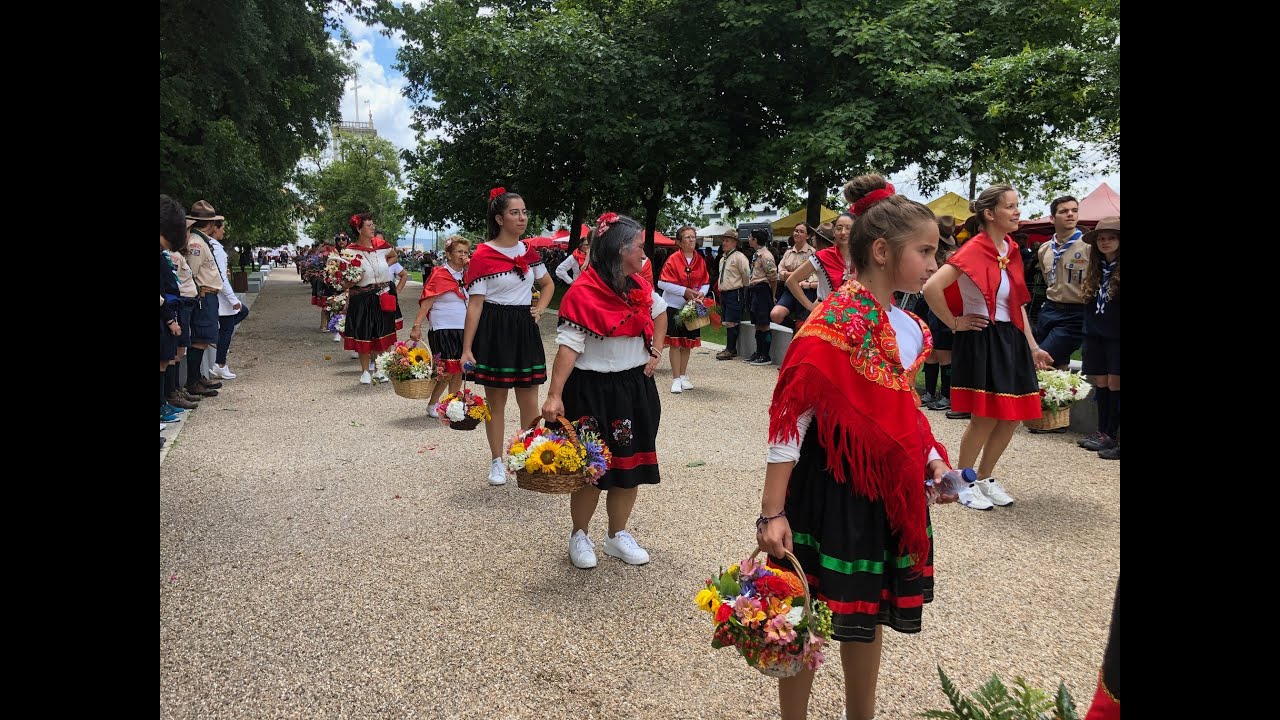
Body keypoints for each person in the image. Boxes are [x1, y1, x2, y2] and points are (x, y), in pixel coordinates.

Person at [758, 174, 954, 720]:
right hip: (829, 486)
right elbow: (789, 421)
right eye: (925, 251)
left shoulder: (908, 325)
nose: (931, 263)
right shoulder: (830, 324)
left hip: (883, 491)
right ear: (882, 250)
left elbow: (903, 407)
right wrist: (772, 511)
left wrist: (931, 458)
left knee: (864, 617)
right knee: (803, 616)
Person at [542, 213, 668, 569]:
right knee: (590, 470)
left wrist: (655, 351)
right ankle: (579, 535)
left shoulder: (639, 287)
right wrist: (554, 395)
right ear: (619, 249)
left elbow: (660, 314)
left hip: (634, 387)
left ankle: (616, 536)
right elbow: (568, 346)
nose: (645, 253)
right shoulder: (583, 291)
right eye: (640, 246)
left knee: (631, 467)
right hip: (592, 390)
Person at [922, 185, 1054, 511]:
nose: (1017, 211)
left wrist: (1034, 346)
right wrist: (954, 323)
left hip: (1010, 339)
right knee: (984, 418)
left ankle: (983, 477)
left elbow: (1018, 303)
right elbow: (931, 287)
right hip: (982, 338)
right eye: (1010, 206)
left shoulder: (1008, 248)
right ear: (989, 214)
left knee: (1011, 417)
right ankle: (959, 482)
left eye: (1017, 205)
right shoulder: (972, 249)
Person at [461, 188, 555, 486]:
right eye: (515, 212)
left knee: (530, 399)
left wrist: (539, 308)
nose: (522, 217)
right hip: (495, 328)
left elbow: (548, 283)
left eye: (524, 212)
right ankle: (497, 461)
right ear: (499, 218)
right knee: (496, 401)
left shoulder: (529, 252)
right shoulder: (483, 254)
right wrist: (466, 349)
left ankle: (529, 455)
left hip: (523, 328)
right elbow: (474, 305)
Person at [410, 235, 471, 416]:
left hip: (464, 327)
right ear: (449, 254)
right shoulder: (440, 274)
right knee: (446, 369)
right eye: (459, 252)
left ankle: (451, 404)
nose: (463, 255)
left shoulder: (467, 274)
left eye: (466, 252)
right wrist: (416, 326)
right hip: (443, 326)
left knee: (460, 368)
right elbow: (427, 303)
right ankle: (433, 403)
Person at [1076, 216, 1121, 459]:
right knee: (1101, 382)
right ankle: (1103, 432)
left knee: (1116, 383)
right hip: (1095, 333)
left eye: (1112, 237)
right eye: (1101, 239)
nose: (1105, 242)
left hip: (1116, 335)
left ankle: (1114, 434)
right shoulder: (1095, 269)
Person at [341, 212, 400, 384]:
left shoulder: (381, 245)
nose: (373, 227)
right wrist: (352, 280)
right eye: (369, 225)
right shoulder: (350, 251)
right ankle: (365, 371)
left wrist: (382, 269)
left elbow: (394, 255)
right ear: (359, 229)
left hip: (383, 294)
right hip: (362, 297)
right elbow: (345, 281)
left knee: (383, 332)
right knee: (364, 332)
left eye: (373, 224)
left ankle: (381, 369)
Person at [1035, 196, 1090, 370]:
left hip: (1075, 313)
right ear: (1052, 218)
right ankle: (1058, 398)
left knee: (1039, 360)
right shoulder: (1044, 249)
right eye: (1064, 211)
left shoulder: (1089, 246)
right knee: (1059, 365)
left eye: (1074, 210)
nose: (1070, 214)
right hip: (1050, 309)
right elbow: (1048, 281)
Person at [656, 225, 710, 393]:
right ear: (679, 242)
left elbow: (706, 282)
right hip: (674, 305)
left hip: (693, 306)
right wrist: (684, 291)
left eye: (693, 237)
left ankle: (684, 375)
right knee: (675, 342)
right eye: (687, 237)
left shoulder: (699, 259)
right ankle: (675, 378)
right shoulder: (672, 259)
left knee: (687, 343)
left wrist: (701, 293)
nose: (691, 240)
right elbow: (661, 283)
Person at [919, 216, 960, 410]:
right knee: (931, 350)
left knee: (944, 353)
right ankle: (929, 392)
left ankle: (946, 394)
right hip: (926, 302)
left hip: (942, 303)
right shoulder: (932, 254)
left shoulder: (951, 256)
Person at [783, 212, 855, 320]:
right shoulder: (822, 256)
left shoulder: (862, 257)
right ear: (834, 232)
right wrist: (811, 307)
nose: (843, 232)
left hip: (855, 316)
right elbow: (791, 281)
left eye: (848, 228)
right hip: (826, 316)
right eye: (839, 228)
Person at [771, 223, 818, 327]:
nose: (798, 233)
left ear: (808, 236)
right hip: (789, 290)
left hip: (806, 291)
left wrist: (788, 274)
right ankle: (794, 327)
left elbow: (813, 275)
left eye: (801, 232)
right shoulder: (788, 252)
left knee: (802, 319)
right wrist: (795, 276)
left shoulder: (813, 253)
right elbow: (780, 272)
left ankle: (799, 329)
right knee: (775, 315)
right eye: (796, 230)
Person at [714, 230, 751, 360]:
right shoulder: (723, 258)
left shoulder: (739, 257)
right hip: (724, 292)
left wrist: (743, 287)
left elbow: (746, 274)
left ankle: (731, 349)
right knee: (727, 320)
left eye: (727, 240)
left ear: (735, 242)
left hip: (735, 292)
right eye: (723, 240)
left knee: (731, 321)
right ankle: (729, 346)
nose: (724, 243)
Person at [745, 229, 779, 365]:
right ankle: (758, 351)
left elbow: (773, 277)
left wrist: (773, 294)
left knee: (764, 323)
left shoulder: (766, 256)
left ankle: (766, 354)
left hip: (762, 290)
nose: (748, 239)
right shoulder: (756, 255)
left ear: (755, 240)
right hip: (754, 290)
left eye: (750, 237)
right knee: (757, 323)